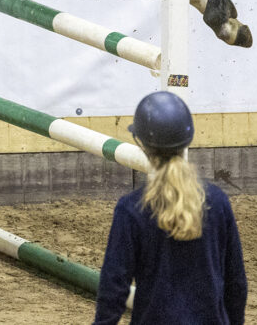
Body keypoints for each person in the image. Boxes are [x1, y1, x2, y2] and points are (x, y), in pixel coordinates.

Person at [93, 91, 247, 324]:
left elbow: (113, 286)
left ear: (142, 145)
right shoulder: (217, 202)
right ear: (188, 139)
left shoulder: (131, 209)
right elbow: (236, 284)